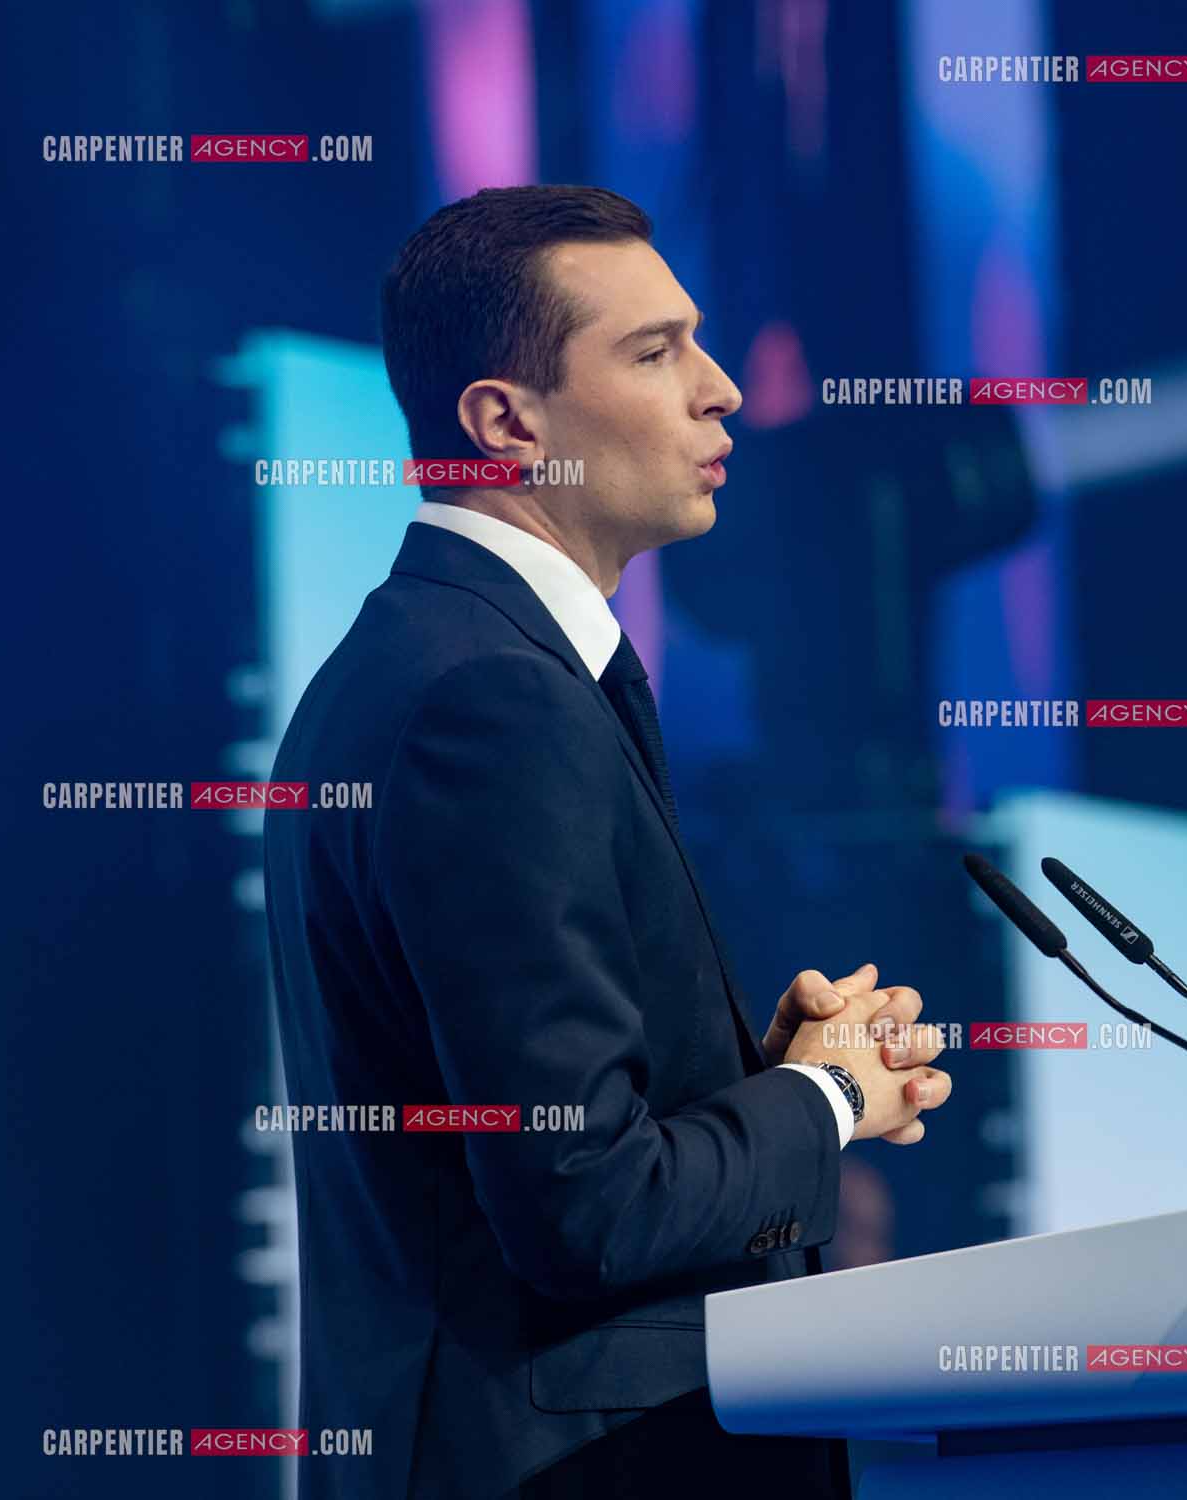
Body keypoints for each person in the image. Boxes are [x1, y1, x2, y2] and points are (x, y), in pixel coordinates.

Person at [263, 184, 951, 1499]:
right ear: (506, 423)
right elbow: (584, 1201)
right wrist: (829, 1100)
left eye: (696, 339)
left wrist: (755, 1078)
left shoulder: (459, 661)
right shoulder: (487, 696)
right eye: (653, 351)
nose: (719, 391)